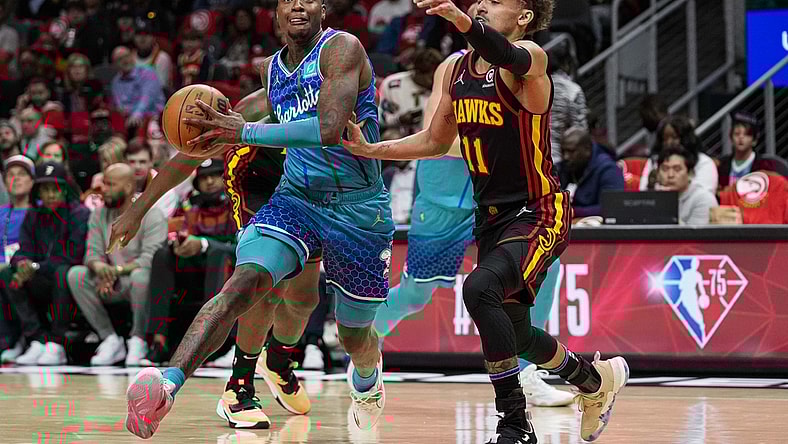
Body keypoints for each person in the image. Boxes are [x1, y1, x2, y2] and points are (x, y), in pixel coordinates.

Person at [343, 0, 628, 442]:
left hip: (538, 211)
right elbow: (435, 141)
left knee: (479, 288)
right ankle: (594, 381)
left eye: (496, 0)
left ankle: (514, 423)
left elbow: (504, 53)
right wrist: (371, 150)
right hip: (490, 217)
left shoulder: (531, 58)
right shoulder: (456, 72)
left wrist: (460, 21)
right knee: (517, 334)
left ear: (524, 16)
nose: (480, 4)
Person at [118, 3, 392, 437]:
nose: (298, 4)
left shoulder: (342, 49)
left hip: (357, 208)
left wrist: (243, 130)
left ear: (322, 8)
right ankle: (168, 385)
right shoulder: (272, 73)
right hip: (295, 198)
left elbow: (328, 129)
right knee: (246, 284)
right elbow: (199, 149)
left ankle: (363, 380)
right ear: (276, 11)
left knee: (350, 332)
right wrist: (139, 206)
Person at [373, 45, 573, 408]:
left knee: (548, 265)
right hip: (444, 196)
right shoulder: (454, 67)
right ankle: (369, 335)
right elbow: (436, 139)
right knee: (418, 293)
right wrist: (500, 139)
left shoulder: (522, 67)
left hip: (500, 195)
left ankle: (527, 372)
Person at [67, 163, 167, 366]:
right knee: (76, 275)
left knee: (141, 276)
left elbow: (150, 258)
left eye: (110, 184)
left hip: (134, 281)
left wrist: (116, 271)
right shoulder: (98, 214)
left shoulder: (152, 214)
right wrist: (101, 269)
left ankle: (138, 339)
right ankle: (109, 338)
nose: (104, 189)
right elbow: (92, 253)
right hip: (106, 281)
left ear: (129, 187)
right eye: (104, 183)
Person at [657, 146, 718, 225]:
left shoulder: (703, 199)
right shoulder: (654, 197)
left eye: (677, 169)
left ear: (690, 173)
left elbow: (696, 232)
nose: (670, 175)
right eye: (665, 169)